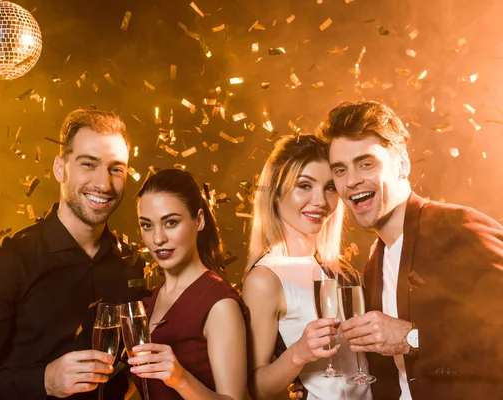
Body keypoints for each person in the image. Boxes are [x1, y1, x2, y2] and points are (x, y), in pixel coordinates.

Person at [0, 109, 147, 400]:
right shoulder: (4, 262)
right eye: (89, 164)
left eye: (116, 169)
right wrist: (46, 380)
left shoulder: (132, 264)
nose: (104, 183)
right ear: (60, 169)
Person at [318, 100, 503, 399]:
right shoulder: (375, 260)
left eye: (366, 163)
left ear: (402, 164)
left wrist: (412, 337)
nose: (352, 181)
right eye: (340, 170)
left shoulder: (455, 227)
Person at [242, 134, 372, 400]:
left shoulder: (342, 271)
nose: (321, 201)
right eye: (304, 185)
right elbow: (254, 388)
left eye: (329, 188)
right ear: (276, 193)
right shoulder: (265, 278)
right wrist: (298, 353)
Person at [128, 168, 248, 400]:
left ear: (200, 220)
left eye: (170, 222)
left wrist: (180, 378)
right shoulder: (148, 301)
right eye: (147, 225)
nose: (158, 238)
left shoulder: (219, 304)